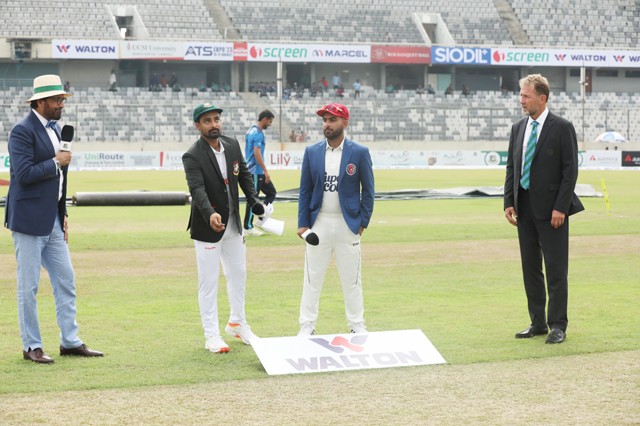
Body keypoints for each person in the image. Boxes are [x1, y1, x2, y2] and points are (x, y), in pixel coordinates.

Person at [5, 74, 104, 363]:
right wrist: (54, 162)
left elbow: (60, 180)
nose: (62, 103)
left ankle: (70, 341)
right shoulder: (22, 131)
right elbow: (23, 175)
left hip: (52, 220)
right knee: (29, 286)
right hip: (28, 220)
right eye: (57, 100)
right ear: (41, 102)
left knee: (66, 280)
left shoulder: (56, 130)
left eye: (62, 99)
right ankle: (31, 345)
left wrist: (63, 214)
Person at [504, 74, 584, 345]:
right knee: (531, 268)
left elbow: (570, 171)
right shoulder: (518, 128)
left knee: (556, 269)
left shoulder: (562, 127)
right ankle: (537, 322)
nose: (521, 100)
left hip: (553, 212)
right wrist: (508, 201)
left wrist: (561, 207)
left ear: (542, 97)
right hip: (524, 209)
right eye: (521, 95)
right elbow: (512, 168)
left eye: (526, 95)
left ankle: (558, 325)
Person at [182, 102, 264, 353]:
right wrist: (210, 214)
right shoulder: (192, 155)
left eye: (216, 119)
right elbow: (197, 190)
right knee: (208, 282)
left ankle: (238, 322)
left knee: (238, 274)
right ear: (198, 126)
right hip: (208, 227)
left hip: (233, 226)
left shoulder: (232, 145)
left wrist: (253, 200)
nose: (214, 124)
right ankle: (211, 336)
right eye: (207, 121)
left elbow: (245, 175)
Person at [297, 103, 375, 336]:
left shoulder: (359, 152)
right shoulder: (312, 152)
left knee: (352, 279)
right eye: (325, 120)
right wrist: (303, 224)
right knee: (312, 278)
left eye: (332, 120)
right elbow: (305, 190)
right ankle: (307, 325)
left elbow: (368, 191)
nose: (327, 124)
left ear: (345, 122)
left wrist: (362, 223)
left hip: (347, 224)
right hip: (318, 222)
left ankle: (357, 325)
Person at [243, 110, 277, 237]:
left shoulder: (251, 130)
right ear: (264, 119)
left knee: (271, 192)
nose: (270, 124)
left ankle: (261, 218)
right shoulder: (258, 134)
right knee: (253, 199)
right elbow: (257, 153)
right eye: (270, 121)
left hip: (254, 171)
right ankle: (248, 227)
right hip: (255, 172)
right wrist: (266, 171)